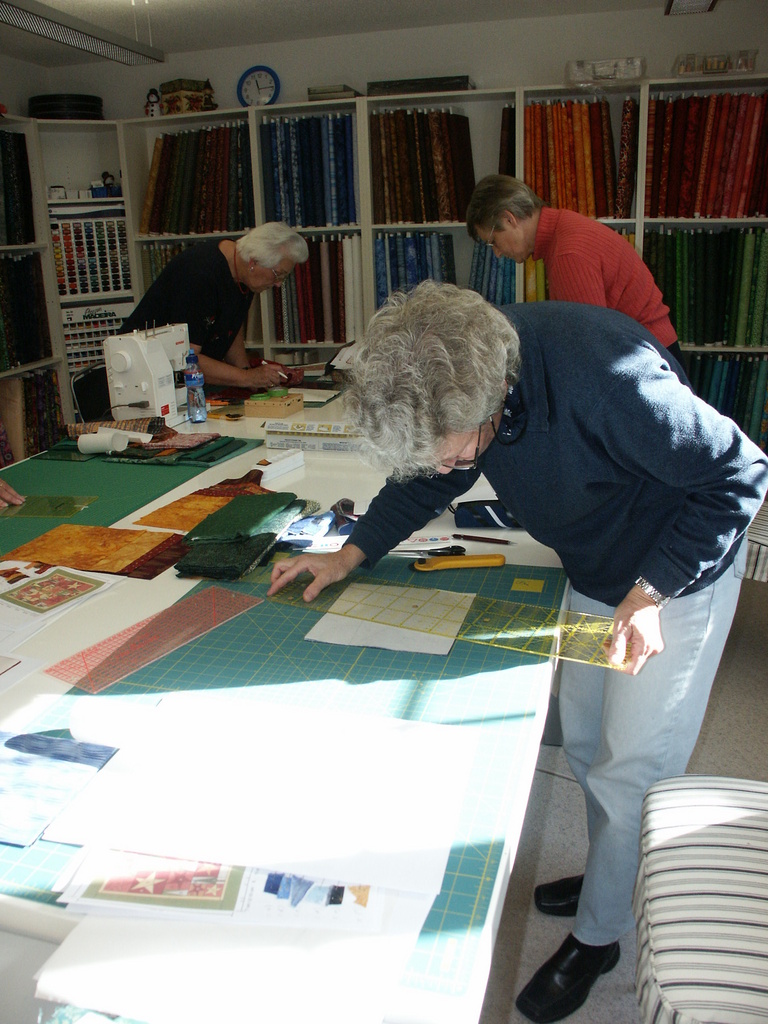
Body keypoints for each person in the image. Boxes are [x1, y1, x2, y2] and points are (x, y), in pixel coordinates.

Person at [268, 281, 768, 1023]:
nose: (446, 466)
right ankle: (610, 873)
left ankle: (600, 936)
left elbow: (742, 471)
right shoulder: (462, 382)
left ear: (485, 403)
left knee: (632, 770)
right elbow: (426, 480)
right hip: (596, 568)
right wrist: (352, 551)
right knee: (589, 744)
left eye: (450, 449)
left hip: (673, 575)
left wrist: (652, 592)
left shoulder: (606, 377)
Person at [466, 174, 684, 364]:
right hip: (650, 350)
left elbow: (588, 350)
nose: (497, 253)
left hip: (651, 359)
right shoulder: (564, 228)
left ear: (509, 219)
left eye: (493, 242)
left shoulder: (566, 254)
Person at [120, 222, 309, 390]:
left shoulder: (243, 271)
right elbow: (188, 359)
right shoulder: (201, 276)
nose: (278, 284)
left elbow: (230, 326)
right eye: (278, 274)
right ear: (254, 262)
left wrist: (248, 375)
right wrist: (247, 378)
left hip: (182, 382)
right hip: (141, 379)